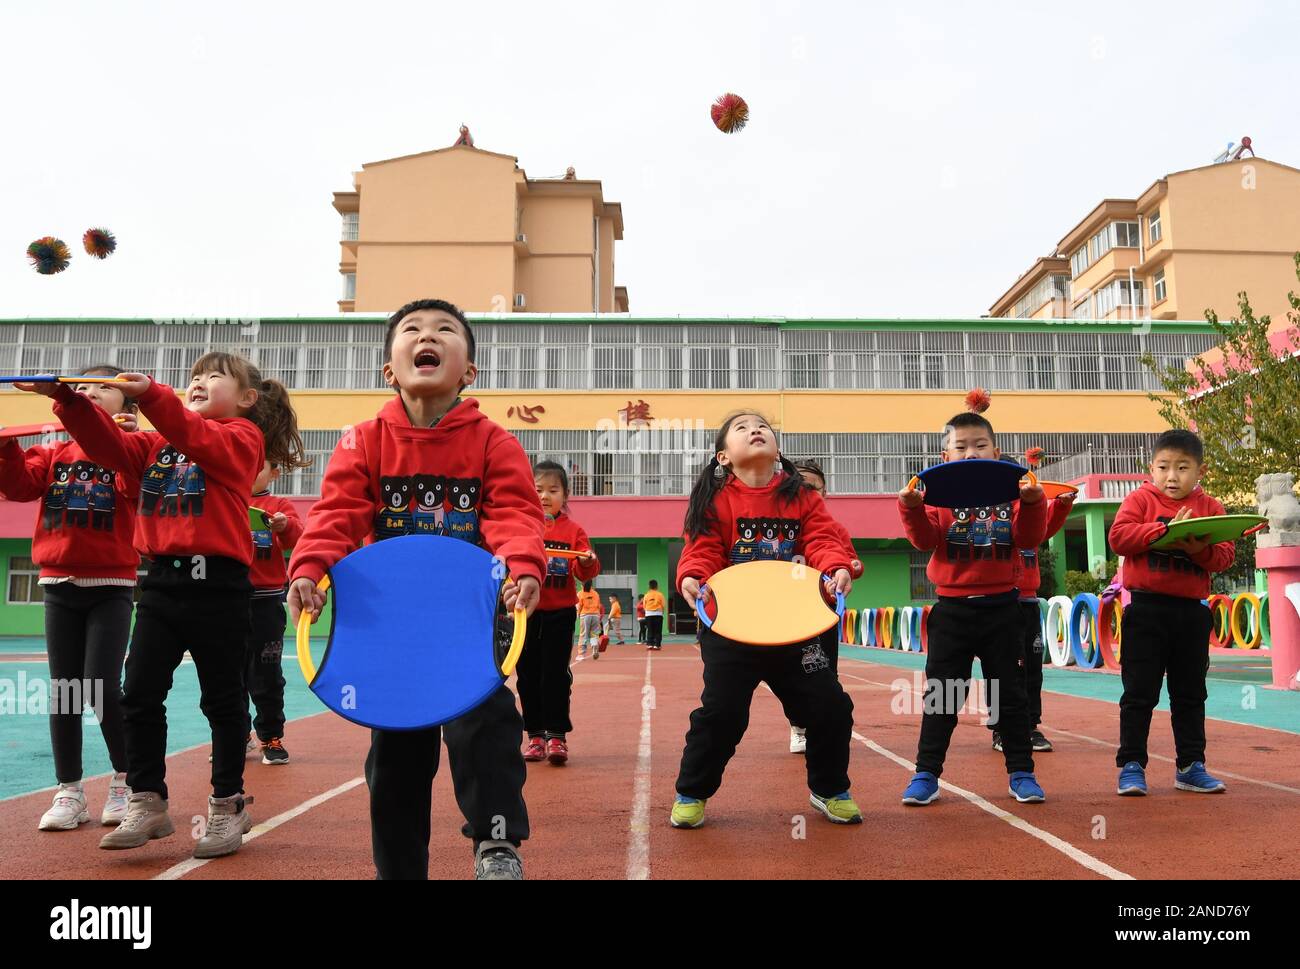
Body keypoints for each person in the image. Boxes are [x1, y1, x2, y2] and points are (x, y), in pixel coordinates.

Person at [287, 298, 546, 880]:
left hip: (467, 618)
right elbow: (336, 514)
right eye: (412, 330)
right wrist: (308, 569)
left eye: (444, 331)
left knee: (486, 726)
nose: (427, 336)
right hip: (391, 627)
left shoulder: (493, 441)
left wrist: (523, 565)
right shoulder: (362, 439)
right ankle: (400, 868)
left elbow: (513, 514)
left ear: (468, 371)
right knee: (397, 750)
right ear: (389, 369)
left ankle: (496, 842)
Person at [25, 353, 305, 858]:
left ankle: (226, 804)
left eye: (212, 377)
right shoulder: (156, 444)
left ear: (246, 399)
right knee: (137, 695)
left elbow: (194, 435)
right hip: (158, 586)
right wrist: (64, 398)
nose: (198, 382)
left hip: (218, 587)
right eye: (193, 376)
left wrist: (153, 394)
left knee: (222, 700)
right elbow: (106, 444)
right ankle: (147, 798)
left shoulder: (242, 439)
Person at [670, 412, 859, 829]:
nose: (755, 430)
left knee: (829, 706)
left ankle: (829, 790)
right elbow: (701, 550)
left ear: (776, 447)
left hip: (797, 627)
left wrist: (836, 567)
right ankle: (692, 791)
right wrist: (692, 576)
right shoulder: (715, 501)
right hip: (734, 628)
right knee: (722, 714)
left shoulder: (803, 497)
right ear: (723, 456)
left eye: (762, 426)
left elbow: (824, 541)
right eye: (741, 428)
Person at [0, 366, 140, 830]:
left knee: (101, 685)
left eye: (104, 388)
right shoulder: (52, 452)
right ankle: (70, 790)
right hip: (59, 585)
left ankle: (128, 781)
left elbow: (132, 486)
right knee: (64, 692)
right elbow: (19, 486)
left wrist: (120, 439)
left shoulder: (129, 451)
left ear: (128, 406)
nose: (89, 393)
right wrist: (4, 450)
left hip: (112, 587)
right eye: (80, 388)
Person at [897, 395, 1048, 806]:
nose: (970, 452)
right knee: (942, 696)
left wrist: (1035, 503)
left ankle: (1022, 772)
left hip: (1004, 608)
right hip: (952, 611)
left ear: (996, 451)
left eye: (979, 445)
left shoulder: (1016, 491)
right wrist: (910, 508)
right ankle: (926, 775)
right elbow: (925, 540)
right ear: (945, 454)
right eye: (960, 446)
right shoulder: (936, 495)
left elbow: (1030, 539)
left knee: (1009, 695)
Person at [1108, 429, 1235, 796]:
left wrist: (1197, 549)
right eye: (1163, 467)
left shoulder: (1210, 507)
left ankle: (1190, 765)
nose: (1172, 476)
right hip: (1145, 610)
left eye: (1182, 467)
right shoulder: (1140, 499)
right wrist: (1163, 530)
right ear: (1151, 468)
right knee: (1139, 693)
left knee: (1190, 693)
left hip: (1191, 615)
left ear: (1201, 471)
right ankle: (1131, 765)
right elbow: (1119, 538)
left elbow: (1225, 557)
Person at [517, 460, 599, 766]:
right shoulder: (522, 525)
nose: (544, 496)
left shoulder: (573, 530)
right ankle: (535, 735)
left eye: (553, 490)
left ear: (565, 495)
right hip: (526, 614)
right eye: (538, 489)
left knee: (555, 676)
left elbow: (583, 568)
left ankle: (556, 737)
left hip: (561, 614)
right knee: (526, 676)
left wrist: (588, 560)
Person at [785, 459, 862, 755]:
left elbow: (849, 560)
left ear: (825, 493)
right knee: (791, 674)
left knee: (826, 670)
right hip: (789, 614)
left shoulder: (834, 529)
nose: (806, 492)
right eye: (799, 486)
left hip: (823, 611)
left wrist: (852, 566)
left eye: (813, 488)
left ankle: (824, 726)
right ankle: (798, 726)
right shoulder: (783, 528)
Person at [245, 460, 306, 765]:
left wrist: (285, 525)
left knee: (267, 673)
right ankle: (235, 735)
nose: (248, 470)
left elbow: (297, 537)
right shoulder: (226, 498)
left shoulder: (279, 505)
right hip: (227, 601)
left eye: (258, 466)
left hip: (267, 602)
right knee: (225, 673)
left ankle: (271, 737)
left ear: (274, 473)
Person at [576, 580, 603, 661]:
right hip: (595, 615)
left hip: (585, 615)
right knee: (594, 633)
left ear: (582, 584)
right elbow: (599, 605)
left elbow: (579, 605)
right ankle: (594, 645)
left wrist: (578, 613)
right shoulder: (595, 593)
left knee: (583, 634)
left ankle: (581, 654)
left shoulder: (580, 593)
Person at [643, 580, 665, 650]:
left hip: (648, 614)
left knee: (650, 629)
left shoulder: (646, 595)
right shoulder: (660, 594)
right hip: (658, 614)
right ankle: (657, 645)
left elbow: (644, 605)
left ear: (649, 587)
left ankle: (650, 644)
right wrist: (662, 612)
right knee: (658, 630)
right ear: (657, 586)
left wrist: (647, 611)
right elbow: (663, 605)